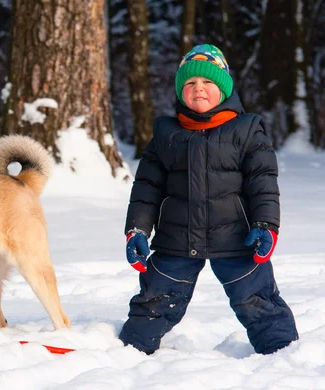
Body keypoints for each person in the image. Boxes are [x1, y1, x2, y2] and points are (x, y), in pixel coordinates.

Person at [120, 44, 298, 355]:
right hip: (176, 238)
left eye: (207, 82)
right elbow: (147, 186)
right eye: (189, 83)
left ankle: (283, 356)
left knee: (257, 300)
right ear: (180, 91)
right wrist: (137, 229)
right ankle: (130, 352)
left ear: (224, 88)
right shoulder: (166, 133)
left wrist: (265, 224)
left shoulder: (246, 129)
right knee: (155, 299)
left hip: (236, 239)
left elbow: (263, 182)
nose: (198, 89)